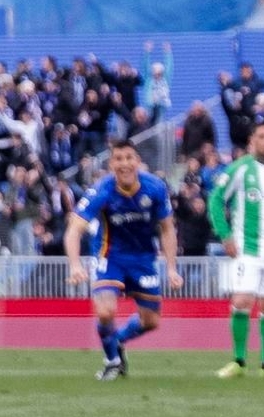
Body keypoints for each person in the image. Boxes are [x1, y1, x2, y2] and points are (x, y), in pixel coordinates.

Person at [64, 140, 182, 380]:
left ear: (137, 162)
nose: (124, 164)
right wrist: (75, 265)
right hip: (110, 257)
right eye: (118, 159)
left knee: (151, 321)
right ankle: (112, 361)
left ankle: (116, 341)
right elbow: (74, 229)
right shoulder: (102, 190)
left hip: (143, 260)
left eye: (129, 158)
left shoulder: (156, 188)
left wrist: (172, 268)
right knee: (105, 311)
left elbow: (168, 229)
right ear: (111, 164)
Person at [208, 119, 264, 380]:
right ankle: (238, 361)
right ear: (252, 142)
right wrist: (225, 235)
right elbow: (216, 200)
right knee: (242, 301)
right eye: (263, 136)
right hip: (246, 250)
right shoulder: (238, 169)